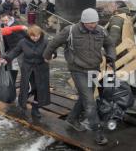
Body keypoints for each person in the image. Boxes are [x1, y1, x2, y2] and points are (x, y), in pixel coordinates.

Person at [43, 8, 116, 146]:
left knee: (84, 97)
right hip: (77, 70)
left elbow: (110, 45)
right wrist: (47, 56)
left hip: (94, 69)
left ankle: (72, 119)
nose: (93, 25)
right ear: (83, 21)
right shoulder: (70, 31)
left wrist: (111, 57)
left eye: (95, 22)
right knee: (90, 102)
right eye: (89, 23)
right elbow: (53, 43)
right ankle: (98, 133)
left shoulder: (101, 31)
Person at [3, 25, 50, 118]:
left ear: (40, 34)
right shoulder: (23, 42)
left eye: (37, 36)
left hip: (41, 69)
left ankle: (35, 108)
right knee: (28, 88)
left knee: (39, 89)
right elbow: (15, 51)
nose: (35, 38)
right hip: (28, 68)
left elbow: (52, 51)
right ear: (29, 35)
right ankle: (22, 105)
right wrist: (7, 59)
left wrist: (51, 56)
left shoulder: (45, 42)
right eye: (33, 36)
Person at [0, 14, 27, 82]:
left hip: (20, 47)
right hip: (10, 47)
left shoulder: (15, 24)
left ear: (9, 19)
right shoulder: (2, 26)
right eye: (3, 21)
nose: (5, 22)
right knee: (7, 61)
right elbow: (4, 38)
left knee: (21, 62)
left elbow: (24, 34)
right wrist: (5, 48)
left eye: (6, 20)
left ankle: (25, 78)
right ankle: (9, 77)